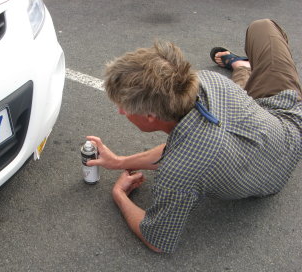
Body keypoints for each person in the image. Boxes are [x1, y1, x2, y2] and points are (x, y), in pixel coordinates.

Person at [86, 19, 302, 254]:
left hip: (275, 147)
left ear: (150, 115)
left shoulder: (179, 173)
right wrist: (119, 162)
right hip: (285, 124)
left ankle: (243, 70)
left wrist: (119, 195)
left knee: (244, 82)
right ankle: (242, 67)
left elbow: (156, 239)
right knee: (263, 27)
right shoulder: (210, 80)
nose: (120, 111)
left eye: (124, 107)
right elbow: (180, 150)